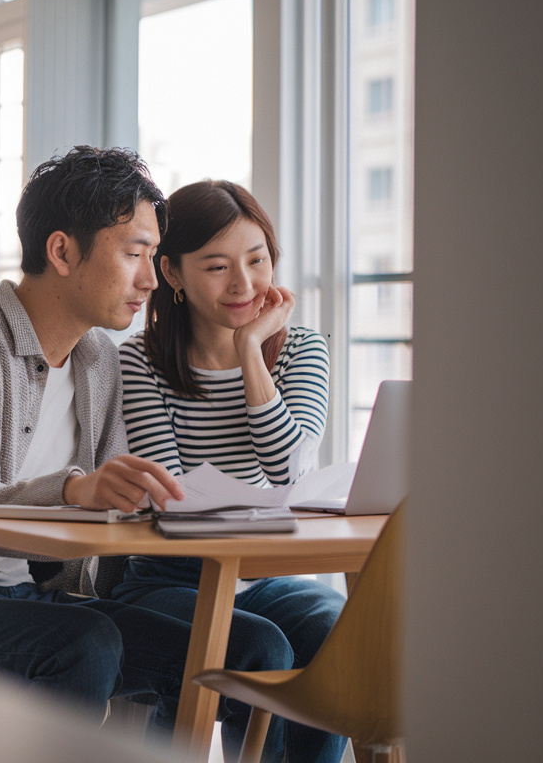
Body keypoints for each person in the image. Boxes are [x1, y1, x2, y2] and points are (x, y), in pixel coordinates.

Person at [0, 147, 280, 731]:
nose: (150, 278)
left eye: (153, 256)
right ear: (63, 251)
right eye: (135, 253)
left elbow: (119, 502)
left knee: (252, 650)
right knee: (85, 644)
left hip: (46, 599)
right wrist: (77, 491)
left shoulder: (99, 360)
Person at [112, 179, 347, 762]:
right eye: (217, 266)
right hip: (166, 579)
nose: (244, 284)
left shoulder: (303, 349)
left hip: (261, 575)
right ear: (173, 274)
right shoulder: (139, 363)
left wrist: (250, 353)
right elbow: (169, 497)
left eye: (257, 260)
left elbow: (288, 467)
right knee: (256, 643)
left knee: (334, 628)